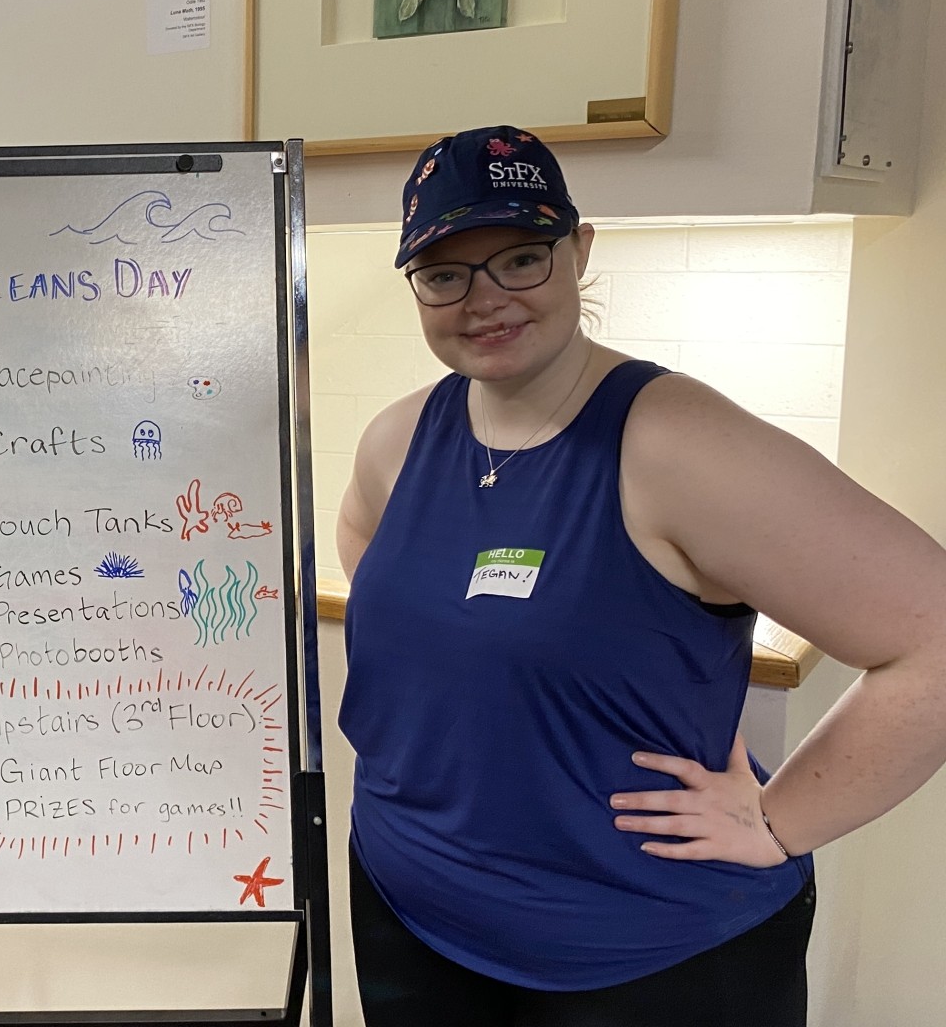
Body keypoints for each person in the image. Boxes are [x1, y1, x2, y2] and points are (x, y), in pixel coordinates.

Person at [336, 125, 946, 1025]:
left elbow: (931, 636)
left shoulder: (681, 447)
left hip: (640, 959)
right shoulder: (399, 438)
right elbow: (373, 558)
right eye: (445, 274)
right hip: (409, 921)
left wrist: (781, 823)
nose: (485, 298)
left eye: (521, 258)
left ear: (578, 251)